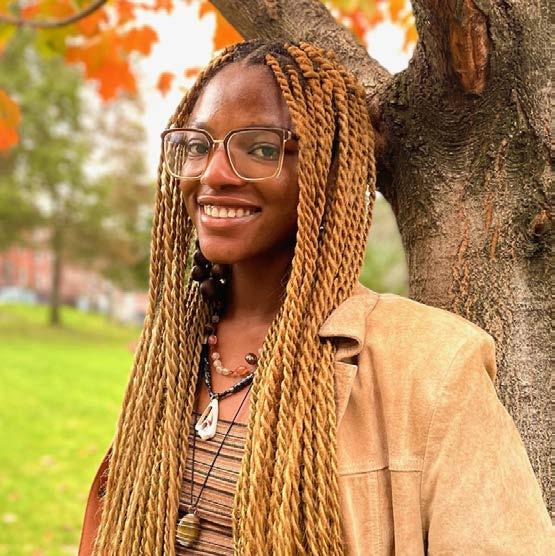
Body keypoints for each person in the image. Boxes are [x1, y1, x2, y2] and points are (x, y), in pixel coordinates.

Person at [79, 40, 553, 555]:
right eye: (198, 146)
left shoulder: (432, 366)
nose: (214, 173)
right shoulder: (173, 348)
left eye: (261, 149)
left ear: (328, 172)